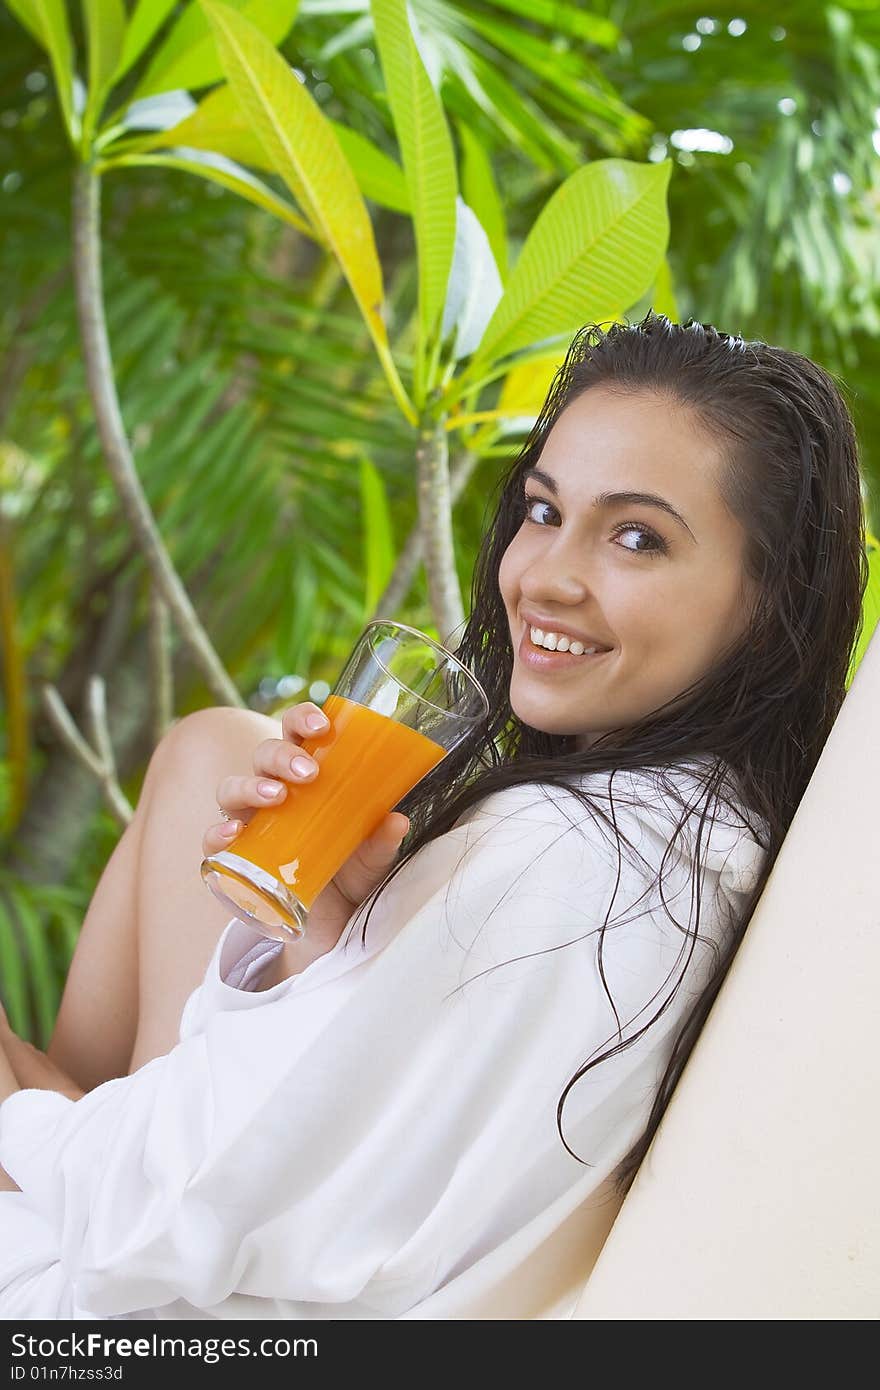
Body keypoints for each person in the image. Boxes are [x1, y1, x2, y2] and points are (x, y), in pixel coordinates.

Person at [0, 311, 867, 1319]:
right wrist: (330, 929)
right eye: (544, 511)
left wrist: (37, 1128)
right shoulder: (688, 837)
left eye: (636, 537)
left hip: (158, 1299)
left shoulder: (561, 857)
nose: (543, 576)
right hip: (208, 1240)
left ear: (768, 601)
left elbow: (168, 1218)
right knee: (210, 751)